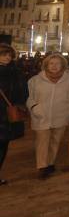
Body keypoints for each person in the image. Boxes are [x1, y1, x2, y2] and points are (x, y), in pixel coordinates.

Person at [26, 53, 69, 179]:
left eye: (58, 63)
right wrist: (34, 107)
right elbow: (29, 97)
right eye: (51, 63)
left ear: (63, 65)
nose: (54, 66)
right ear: (46, 65)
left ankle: (50, 163)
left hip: (61, 115)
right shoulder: (35, 80)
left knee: (55, 141)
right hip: (41, 116)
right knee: (42, 141)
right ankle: (42, 166)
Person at [0, 45, 28, 186]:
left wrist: (19, 103)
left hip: (8, 115)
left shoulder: (16, 72)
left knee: (3, 146)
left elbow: (24, 92)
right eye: (4, 54)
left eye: (9, 55)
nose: (7, 57)